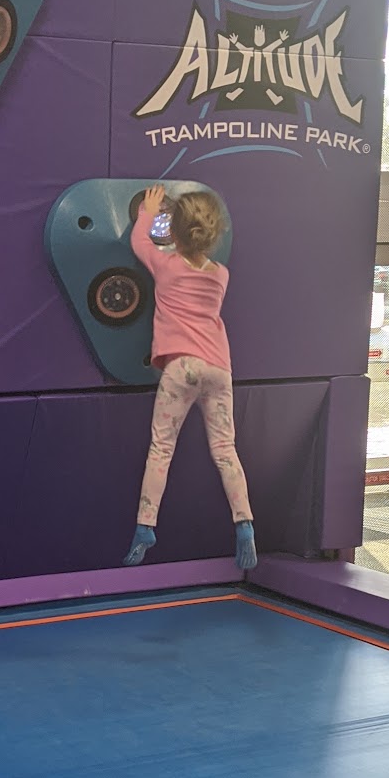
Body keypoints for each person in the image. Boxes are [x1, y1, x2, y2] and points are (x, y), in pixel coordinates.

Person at [123, 184, 257, 571]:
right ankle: (244, 522)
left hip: (181, 367)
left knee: (161, 449)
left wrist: (148, 212)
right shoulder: (221, 275)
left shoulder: (165, 265)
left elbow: (138, 241)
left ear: (175, 234)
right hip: (218, 367)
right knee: (225, 451)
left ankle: (145, 526)